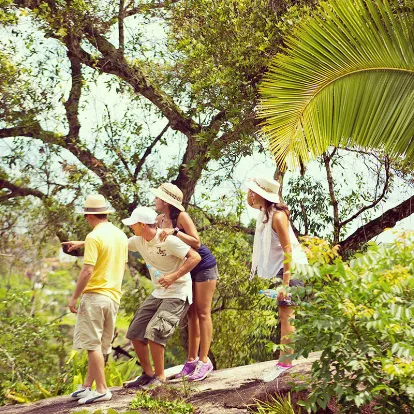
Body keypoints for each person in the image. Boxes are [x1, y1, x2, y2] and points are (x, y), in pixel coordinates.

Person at [122, 206, 201, 390]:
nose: (131, 227)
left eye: (133, 224)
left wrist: (174, 276)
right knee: (135, 332)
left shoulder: (168, 240)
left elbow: (195, 257)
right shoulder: (138, 240)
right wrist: (84, 244)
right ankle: (147, 374)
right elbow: (115, 243)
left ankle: (160, 378)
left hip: (178, 293)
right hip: (159, 293)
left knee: (155, 331)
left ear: (142, 224)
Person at [62, 194, 128, 404]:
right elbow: (122, 266)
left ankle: (101, 389)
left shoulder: (94, 236)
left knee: (92, 345)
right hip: (113, 297)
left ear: (89, 216)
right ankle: (86, 386)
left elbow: (87, 270)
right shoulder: (120, 235)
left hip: (95, 296)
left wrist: (74, 297)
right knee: (100, 345)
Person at [150, 183, 218, 381]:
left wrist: (175, 232)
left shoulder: (181, 217)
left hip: (203, 266)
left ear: (165, 201)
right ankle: (191, 361)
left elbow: (196, 242)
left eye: (158, 197)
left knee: (203, 313)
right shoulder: (159, 220)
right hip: (186, 267)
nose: (155, 200)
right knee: (191, 315)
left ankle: (204, 361)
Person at [246, 177, 308, 382]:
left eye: (253, 192)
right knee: (284, 313)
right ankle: (284, 361)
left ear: (262, 195)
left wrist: (286, 285)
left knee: (286, 313)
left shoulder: (278, 217)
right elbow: (250, 202)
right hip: (284, 268)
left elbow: (288, 250)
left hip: (294, 267)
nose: (250, 195)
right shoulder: (265, 213)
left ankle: (285, 363)